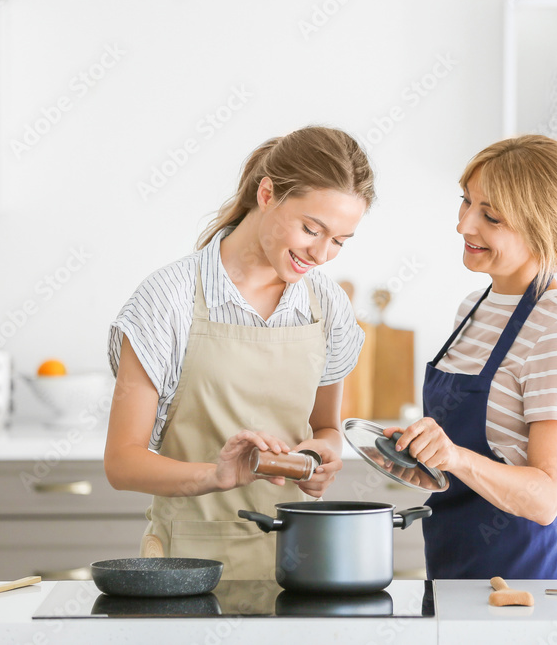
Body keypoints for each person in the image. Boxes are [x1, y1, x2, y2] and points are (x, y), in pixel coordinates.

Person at [104, 126, 375, 580]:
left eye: (340, 241)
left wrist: (322, 459)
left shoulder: (325, 304)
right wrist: (216, 474)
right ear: (267, 193)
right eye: (311, 228)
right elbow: (122, 462)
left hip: (301, 565)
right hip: (187, 570)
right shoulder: (167, 299)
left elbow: (326, 426)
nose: (323, 254)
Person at [385, 134, 557, 580]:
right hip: (454, 570)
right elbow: (481, 460)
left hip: (526, 582)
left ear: (543, 226)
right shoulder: (473, 308)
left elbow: (544, 498)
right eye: (466, 202)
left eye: (491, 216)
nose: (465, 225)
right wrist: (429, 465)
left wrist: (457, 459)